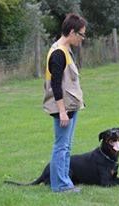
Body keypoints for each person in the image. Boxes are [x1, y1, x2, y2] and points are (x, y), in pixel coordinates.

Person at [43, 13, 87, 193]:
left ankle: (65, 182)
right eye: (81, 34)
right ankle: (60, 186)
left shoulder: (64, 50)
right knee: (61, 146)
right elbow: (55, 85)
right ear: (71, 31)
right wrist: (62, 111)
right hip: (64, 108)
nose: (82, 38)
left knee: (66, 146)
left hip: (70, 106)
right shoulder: (58, 53)